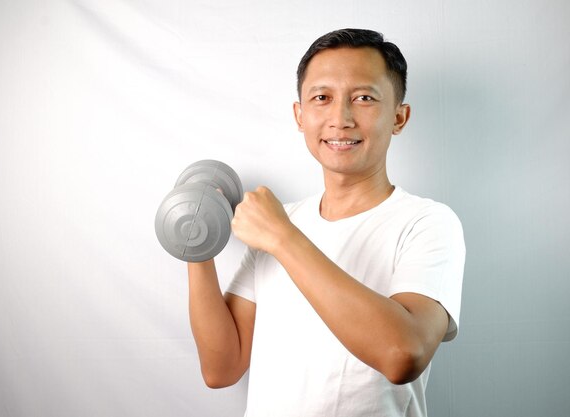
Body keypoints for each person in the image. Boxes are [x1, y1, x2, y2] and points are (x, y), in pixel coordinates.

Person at [187, 28, 465, 417]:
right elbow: (221, 368)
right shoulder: (281, 222)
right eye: (322, 98)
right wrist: (196, 245)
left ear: (399, 117)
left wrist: (283, 238)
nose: (341, 118)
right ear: (300, 115)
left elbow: (402, 355)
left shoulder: (427, 223)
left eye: (364, 98)